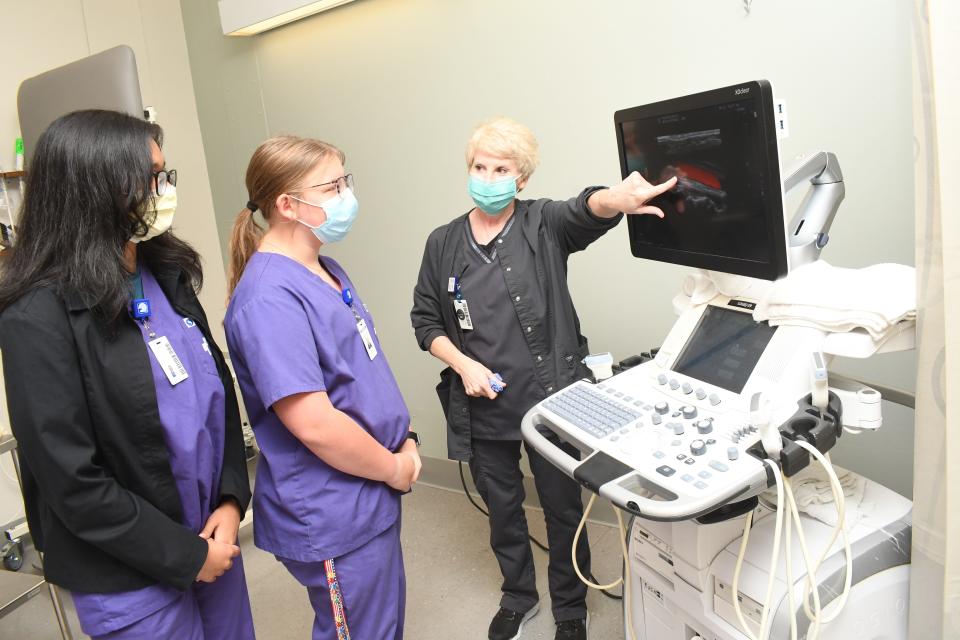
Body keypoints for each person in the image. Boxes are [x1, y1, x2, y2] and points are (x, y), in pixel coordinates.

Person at [411, 117, 677, 640]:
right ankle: (518, 595)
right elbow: (425, 321)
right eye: (479, 166)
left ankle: (571, 606)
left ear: (521, 178)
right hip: (483, 405)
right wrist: (463, 365)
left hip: (551, 402)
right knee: (503, 510)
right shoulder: (443, 242)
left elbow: (586, 209)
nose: (488, 176)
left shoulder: (542, 224)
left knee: (562, 510)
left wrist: (615, 199)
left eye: (501, 168)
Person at [0, 110, 254, 639]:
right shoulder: (37, 316)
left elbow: (218, 393)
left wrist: (231, 501)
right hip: (131, 572)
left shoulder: (165, 274)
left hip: (213, 536)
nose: (161, 190)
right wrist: (185, 555)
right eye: (149, 177)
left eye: (165, 174)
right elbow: (72, 480)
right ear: (94, 190)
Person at [224, 135, 420, 640]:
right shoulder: (268, 298)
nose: (346, 196)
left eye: (345, 181)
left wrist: (405, 436)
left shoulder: (325, 269)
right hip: (332, 507)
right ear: (287, 205)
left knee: (383, 624)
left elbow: (362, 372)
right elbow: (314, 424)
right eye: (332, 186)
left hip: (367, 486)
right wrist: (395, 466)